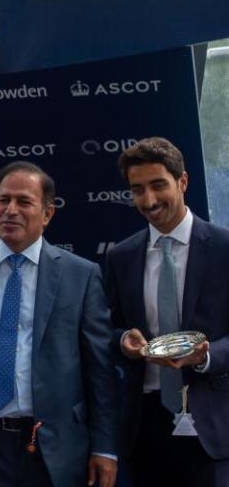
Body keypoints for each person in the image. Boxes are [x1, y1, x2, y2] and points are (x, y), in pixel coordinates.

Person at [0, 161, 117, 487]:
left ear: (47, 213)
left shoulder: (81, 275)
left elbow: (100, 371)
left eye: (23, 202)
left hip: (53, 449)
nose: (10, 210)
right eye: (3, 200)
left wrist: (106, 447)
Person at [105, 137, 229, 486]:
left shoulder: (223, 249)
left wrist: (204, 358)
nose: (149, 200)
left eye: (158, 185)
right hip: (145, 429)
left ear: (183, 182)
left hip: (213, 429)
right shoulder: (121, 257)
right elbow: (108, 328)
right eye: (137, 189)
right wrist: (123, 340)